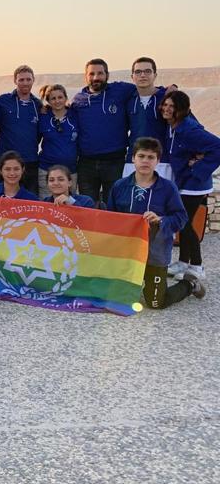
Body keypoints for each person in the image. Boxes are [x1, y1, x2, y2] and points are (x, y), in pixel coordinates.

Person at [107, 138, 204, 306]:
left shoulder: (168, 188)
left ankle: (189, 284)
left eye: (151, 157)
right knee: (116, 299)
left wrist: (161, 220)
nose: (145, 161)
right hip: (126, 255)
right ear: (133, 159)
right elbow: (109, 218)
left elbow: (181, 218)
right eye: (141, 156)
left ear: (158, 161)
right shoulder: (119, 186)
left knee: (155, 303)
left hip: (155, 254)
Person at [162, 91, 220, 284]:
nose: (168, 109)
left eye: (173, 106)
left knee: (184, 224)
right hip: (183, 183)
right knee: (182, 223)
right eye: (166, 105)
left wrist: (198, 167)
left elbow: (217, 146)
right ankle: (182, 263)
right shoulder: (173, 126)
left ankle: (196, 266)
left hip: (194, 185)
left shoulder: (188, 129)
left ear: (182, 110)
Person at [70, 58, 138, 207]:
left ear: (107, 75)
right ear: (85, 76)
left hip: (115, 161)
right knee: (86, 207)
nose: (96, 78)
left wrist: (167, 89)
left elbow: (145, 87)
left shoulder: (121, 90)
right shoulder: (78, 100)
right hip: (86, 163)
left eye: (100, 73)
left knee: (114, 205)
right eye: (92, 74)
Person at [0, 65, 41, 193]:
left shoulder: (38, 105)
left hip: (30, 161)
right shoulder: (3, 101)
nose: (25, 83)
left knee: (30, 202)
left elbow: (40, 132)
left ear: (33, 80)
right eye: (21, 80)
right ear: (15, 81)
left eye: (28, 79)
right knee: (3, 200)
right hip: (6, 161)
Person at [125, 57, 172, 179]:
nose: (143, 75)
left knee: (160, 197)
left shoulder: (166, 98)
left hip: (162, 161)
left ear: (155, 75)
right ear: (132, 77)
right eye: (138, 72)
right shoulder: (128, 100)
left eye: (147, 71)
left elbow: (186, 123)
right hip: (134, 161)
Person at [36, 84, 78, 199]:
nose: (57, 101)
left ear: (65, 98)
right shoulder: (43, 117)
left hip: (70, 171)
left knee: (69, 207)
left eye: (60, 97)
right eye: (53, 98)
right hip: (46, 170)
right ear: (48, 101)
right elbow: (36, 140)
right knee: (46, 207)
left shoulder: (75, 115)